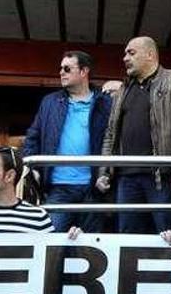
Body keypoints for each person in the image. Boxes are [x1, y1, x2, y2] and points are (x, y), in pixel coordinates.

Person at [97, 36, 171, 234]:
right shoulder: (123, 90)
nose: (125, 58)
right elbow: (111, 134)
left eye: (131, 53)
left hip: (162, 179)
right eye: (125, 53)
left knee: (167, 236)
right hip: (126, 180)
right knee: (128, 239)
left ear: (150, 54)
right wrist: (103, 171)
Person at [23, 51, 113, 233]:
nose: (61, 73)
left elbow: (115, 140)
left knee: (90, 247)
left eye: (67, 68)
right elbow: (33, 135)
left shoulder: (105, 103)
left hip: (93, 187)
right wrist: (32, 166)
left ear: (83, 71)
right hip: (59, 187)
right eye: (60, 68)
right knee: (52, 243)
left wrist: (108, 173)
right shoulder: (50, 102)